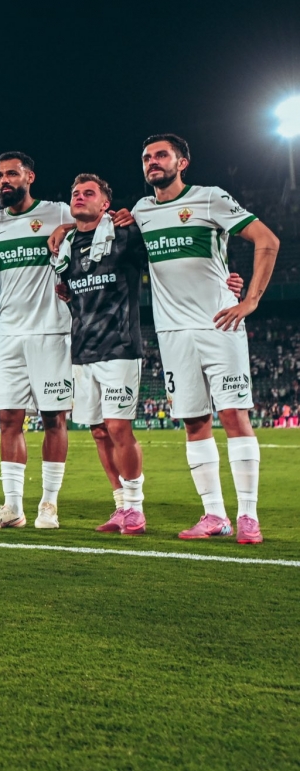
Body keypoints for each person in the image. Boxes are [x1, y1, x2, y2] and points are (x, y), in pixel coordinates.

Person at [131, 134, 279, 543]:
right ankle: (214, 515)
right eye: (146, 157)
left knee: (234, 416)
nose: (152, 162)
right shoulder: (142, 211)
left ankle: (248, 515)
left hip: (219, 325)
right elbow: (93, 220)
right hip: (172, 332)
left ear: (183, 162)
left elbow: (268, 240)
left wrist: (249, 300)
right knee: (193, 422)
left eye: (161, 155)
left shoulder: (211, 198)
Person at [0, 151, 73, 531]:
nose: (4, 181)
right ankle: (13, 507)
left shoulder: (58, 212)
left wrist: (66, 229)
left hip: (51, 331)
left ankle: (48, 504)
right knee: (8, 419)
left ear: (29, 176)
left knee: (53, 418)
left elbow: (99, 221)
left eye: (12, 174)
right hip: (9, 334)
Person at [50, 174, 149, 535]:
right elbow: (66, 290)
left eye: (88, 193)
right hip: (82, 349)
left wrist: (227, 277)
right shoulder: (65, 246)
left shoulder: (126, 235)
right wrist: (63, 229)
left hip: (120, 347)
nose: (79, 197)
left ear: (105, 204)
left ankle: (136, 508)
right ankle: (120, 505)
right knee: (97, 432)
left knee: (119, 426)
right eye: (74, 193)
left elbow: (164, 264)